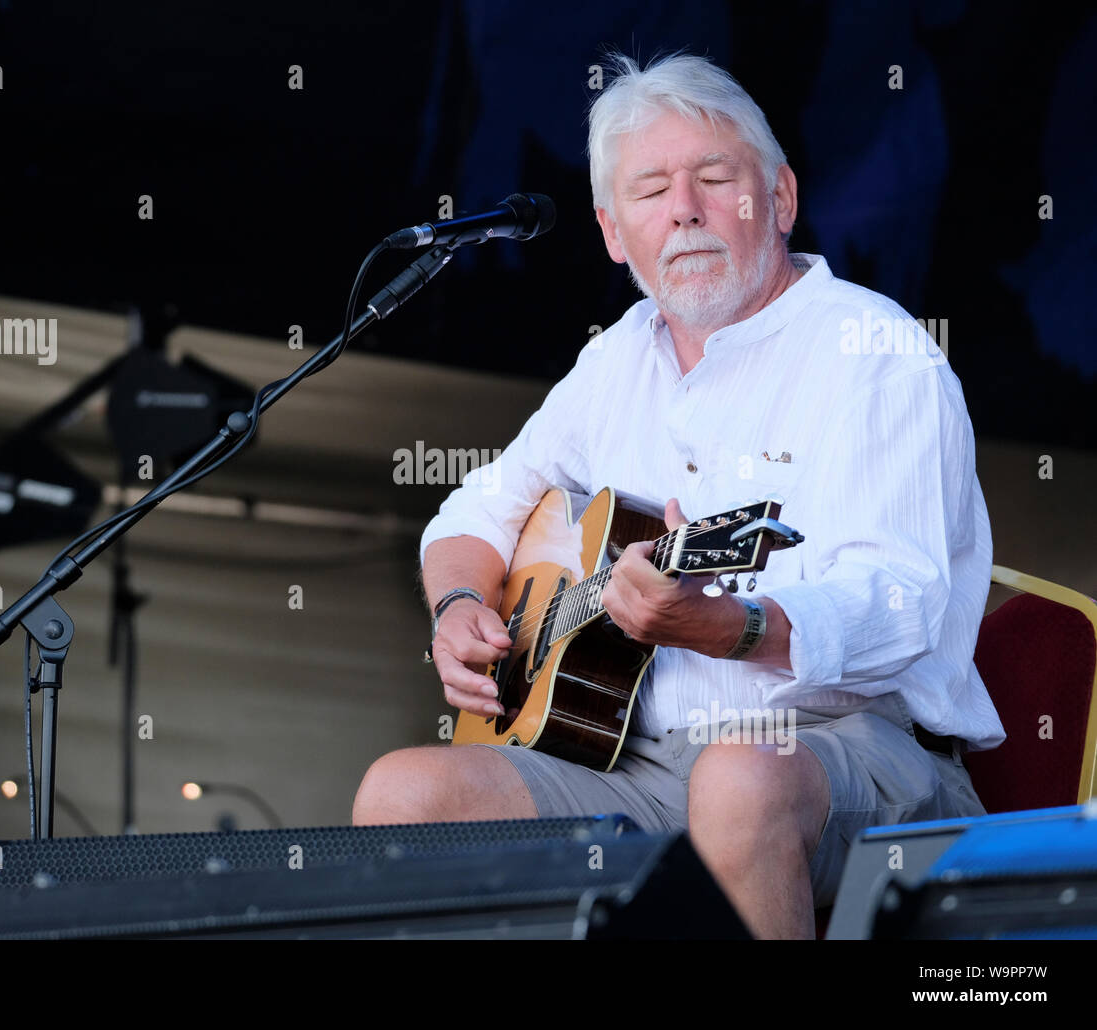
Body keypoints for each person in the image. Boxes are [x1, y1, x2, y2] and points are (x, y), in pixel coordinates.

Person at [351, 51, 1004, 940]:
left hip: (849, 752)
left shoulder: (876, 355)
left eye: (713, 178)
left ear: (777, 199)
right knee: (402, 797)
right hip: (632, 761)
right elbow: (479, 507)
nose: (685, 209)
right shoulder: (617, 356)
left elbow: (898, 606)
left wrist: (726, 626)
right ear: (615, 232)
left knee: (737, 779)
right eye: (651, 190)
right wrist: (460, 602)